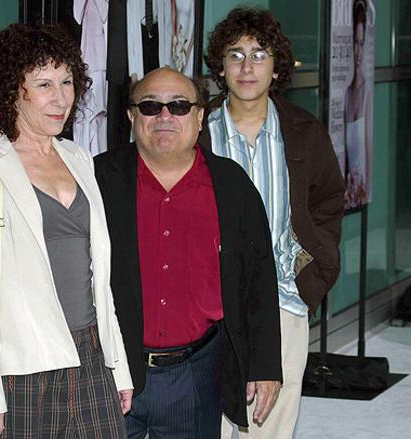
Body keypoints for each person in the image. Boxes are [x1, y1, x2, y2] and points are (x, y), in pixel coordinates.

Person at [0, 24, 132, 438]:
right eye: (44, 84)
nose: (61, 98)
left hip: (91, 355)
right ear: (12, 90)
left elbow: (100, 279)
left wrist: (118, 366)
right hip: (22, 367)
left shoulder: (78, 158)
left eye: (67, 82)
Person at [94, 66, 282, 439]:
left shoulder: (231, 185)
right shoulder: (97, 179)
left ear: (199, 117)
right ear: (132, 116)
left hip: (196, 373)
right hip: (111, 370)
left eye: (179, 106)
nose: (165, 116)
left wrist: (265, 366)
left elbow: (259, 279)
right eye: (150, 106)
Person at [203, 6, 345, 439]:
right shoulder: (196, 129)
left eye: (259, 55)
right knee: (207, 424)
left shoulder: (303, 131)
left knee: (271, 426)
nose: (247, 67)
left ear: (277, 67)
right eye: (236, 54)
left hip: (283, 299)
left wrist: (313, 273)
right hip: (209, 303)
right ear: (220, 67)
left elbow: (328, 202)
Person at [344, 0, 372, 208]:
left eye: (362, 43)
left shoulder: (367, 93)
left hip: (360, 191)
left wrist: (364, 193)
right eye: (355, 42)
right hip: (347, 189)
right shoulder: (346, 93)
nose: (358, 51)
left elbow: (368, 153)